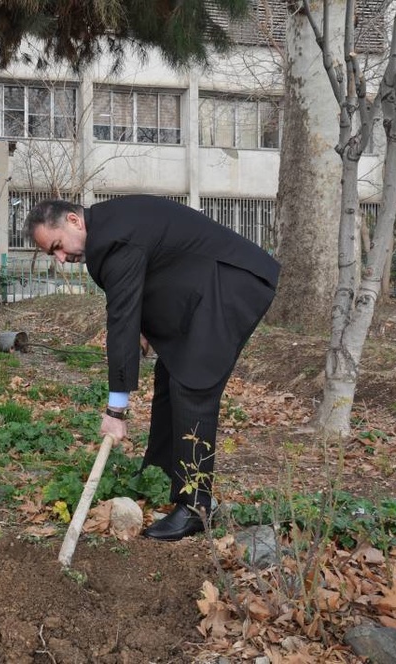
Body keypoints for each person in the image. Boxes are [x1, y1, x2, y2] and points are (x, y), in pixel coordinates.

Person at [26, 196, 280, 541]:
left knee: (193, 385)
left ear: (73, 221)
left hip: (233, 281)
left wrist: (116, 409)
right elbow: (146, 279)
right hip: (202, 285)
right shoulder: (108, 229)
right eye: (51, 254)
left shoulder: (111, 239)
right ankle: (158, 475)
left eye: (57, 246)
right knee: (171, 373)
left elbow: (121, 319)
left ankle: (195, 507)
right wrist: (145, 328)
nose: (61, 258)